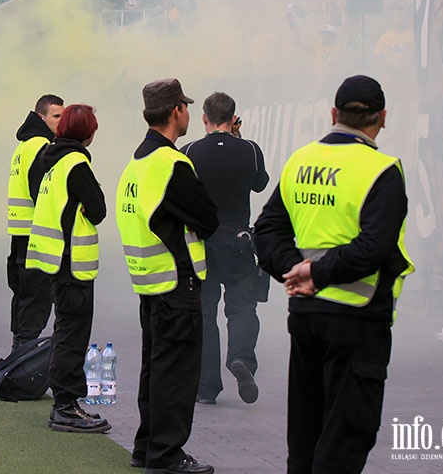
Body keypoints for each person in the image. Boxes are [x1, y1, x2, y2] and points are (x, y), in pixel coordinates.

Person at [253, 75, 414, 474]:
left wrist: (294, 271)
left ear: (332, 115)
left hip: (305, 317)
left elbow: (267, 229)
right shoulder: (383, 170)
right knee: (345, 437)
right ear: (382, 119)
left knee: (305, 434)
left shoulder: (300, 160)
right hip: (357, 318)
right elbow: (374, 248)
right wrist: (317, 273)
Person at [115, 79, 219, 474]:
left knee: (155, 370)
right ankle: (166, 453)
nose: (188, 112)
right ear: (176, 110)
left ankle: (147, 447)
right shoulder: (172, 164)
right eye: (186, 106)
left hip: (150, 281)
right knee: (177, 375)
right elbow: (207, 219)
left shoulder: (137, 162)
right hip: (178, 282)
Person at [181, 92, 269, 406]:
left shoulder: (188, 150)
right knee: (242, 307)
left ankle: (206, 387)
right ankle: (241, 357)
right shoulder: (250, 150)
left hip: (201, 242)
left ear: (204, 118)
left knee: (204, 313)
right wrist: (239, 138)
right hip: (239, 241)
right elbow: (260, 183)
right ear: (234, 119)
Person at [25, 104, 109, 433]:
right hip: (73, 262)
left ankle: (66, 403)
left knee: (65, 331)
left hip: (55, 259)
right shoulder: (76, 163)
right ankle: (67, 406)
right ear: (86, 132)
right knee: (73, 335)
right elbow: (98, 209)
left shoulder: (51, 159)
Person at [7, 94, 65, 350]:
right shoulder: (41, 146)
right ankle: (25, 354)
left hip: (21, 229)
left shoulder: (24, 145)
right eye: (56, 116)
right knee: (37, 294)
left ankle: (19, 347)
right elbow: (41, 191)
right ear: (41, 117)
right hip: (36, 232)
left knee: (23, 292)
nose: (61, 122)